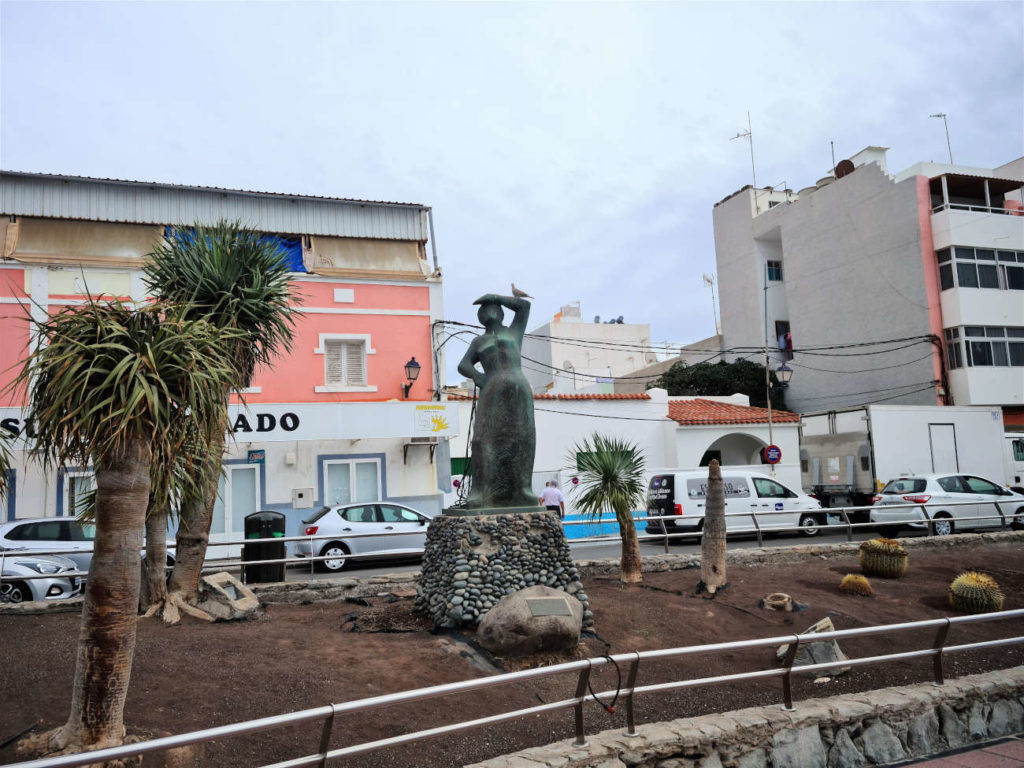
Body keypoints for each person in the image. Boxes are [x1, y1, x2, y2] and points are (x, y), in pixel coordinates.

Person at [456, 292, 536, 509]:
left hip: (519, 389)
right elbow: (463, 365)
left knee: (522, 437)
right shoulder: (479, 341)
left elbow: (524, 307)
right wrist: (478, 376)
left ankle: (522, 490)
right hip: (492, 388)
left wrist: (495, 297)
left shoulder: (514, 333)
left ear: (501, 312)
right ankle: (481, 493)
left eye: (493, 308)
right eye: (485, 309)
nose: (489, 312)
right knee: (484, 439)